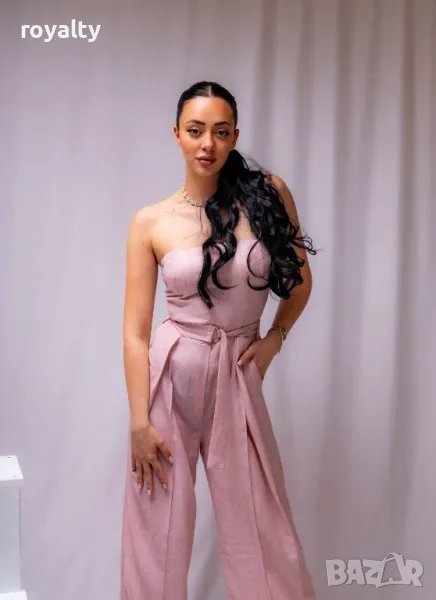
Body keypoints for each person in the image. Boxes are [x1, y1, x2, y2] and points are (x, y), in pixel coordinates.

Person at [120, 80, 318, 600]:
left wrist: (274, 338)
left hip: (237, 372)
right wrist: (139, 422)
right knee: (157, 529)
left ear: (234, 136)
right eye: (195, 130)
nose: (207, 143)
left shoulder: (268, 194)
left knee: (259, 521)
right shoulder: (150, 221)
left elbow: (300, 283)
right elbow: (135, 332)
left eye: (220, 131)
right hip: (171, 377)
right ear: (177, 135)